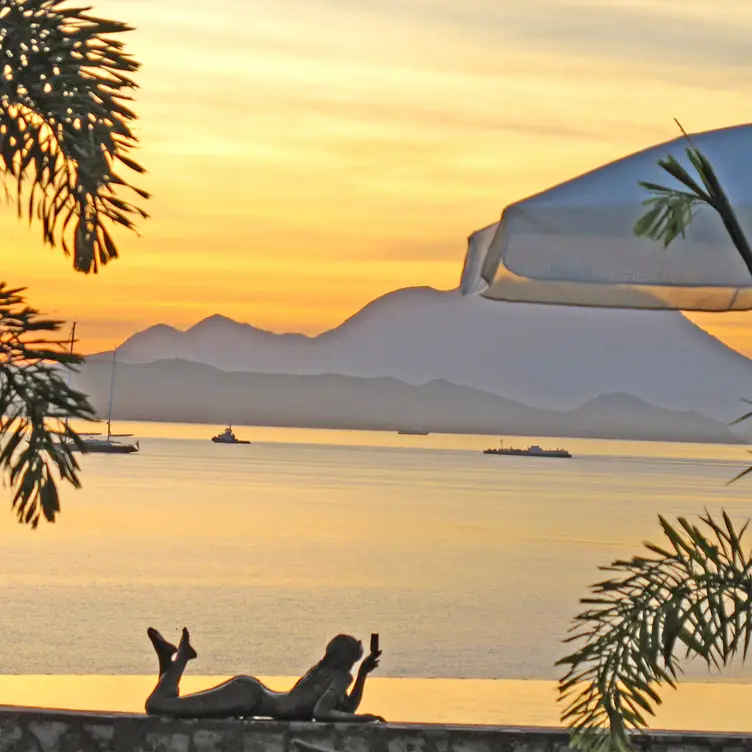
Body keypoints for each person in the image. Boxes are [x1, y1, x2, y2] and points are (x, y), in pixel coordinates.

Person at [144, 627, 385, 722]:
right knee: (157, 706)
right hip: (248, 696)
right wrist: (365, 719)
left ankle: (171, 660)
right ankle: (180, 657)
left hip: (250, 696)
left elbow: (342, 709)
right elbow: (322, 713)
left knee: (165, 707)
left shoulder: (332, 675)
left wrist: (363, 674)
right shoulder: (339, 677)